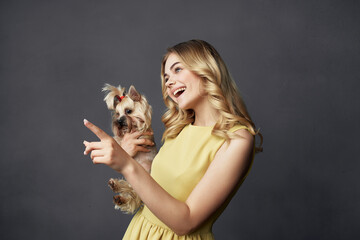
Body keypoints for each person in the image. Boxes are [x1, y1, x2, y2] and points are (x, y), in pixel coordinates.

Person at [83, 39, 263, 239]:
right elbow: (156, 192)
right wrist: (129, 156)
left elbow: (186, 222)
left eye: (177, 70)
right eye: (166, 77)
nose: (168, 82)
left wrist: (127, 165)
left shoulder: (237, 140)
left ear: (206, 69)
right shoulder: (179, 130)